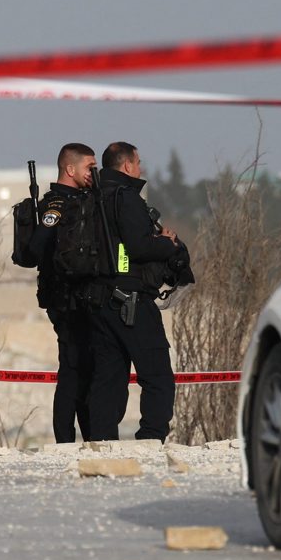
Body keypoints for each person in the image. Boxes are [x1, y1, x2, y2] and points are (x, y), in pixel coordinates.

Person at [81, 141, 180, 442]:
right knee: (157, 374)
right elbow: (136, 248)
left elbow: (119, 250)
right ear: (127, 165)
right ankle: (151, 438)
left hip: (99, 302)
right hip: (131, 302)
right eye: (138, 162)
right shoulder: (126, 198)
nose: (140, 168)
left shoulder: (92, 198)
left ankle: (101, 441)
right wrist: (166, 244)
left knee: (108, 378)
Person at [28, 143, 96, 443]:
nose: (93, 173)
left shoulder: (83, 202)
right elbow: (36, 247)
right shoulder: (56, 205)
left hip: (82, 298)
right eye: (89, 167)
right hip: (65, 300)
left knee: (85, 368)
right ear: (70, 169)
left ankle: (91, 436)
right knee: (71, 368)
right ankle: (66, 440)